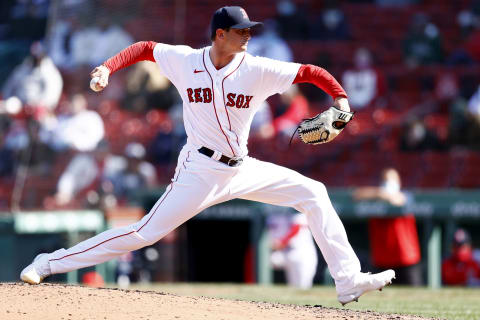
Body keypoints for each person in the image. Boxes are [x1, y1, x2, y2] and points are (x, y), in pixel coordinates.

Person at [20, 6, 395, 305]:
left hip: (241, 167)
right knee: (143, 233)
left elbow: (311, 72)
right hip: (198, 169)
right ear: (220, 34)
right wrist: (107, 67)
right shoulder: (186, 61)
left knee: (313, 192)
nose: (248, 36)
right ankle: (48, 262)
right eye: (241, 30)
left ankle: (347, 280)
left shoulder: (258, 69)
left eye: (250, 30)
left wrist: (341, 99)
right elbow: (146, 48)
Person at [353, 168, 422, 286]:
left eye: (391, 180)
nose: (388, 183)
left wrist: (387, 196)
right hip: (381, 260)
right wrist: (379, 194)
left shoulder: (405, 195)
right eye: (385, 180)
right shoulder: (375, 197)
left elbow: (399, 200)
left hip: (406, 258)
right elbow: (356, 195)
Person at [268, 212, 318, 289]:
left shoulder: (301, 214)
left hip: (304, 252)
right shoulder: (286, 216)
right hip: (289, 252)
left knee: (304, 284)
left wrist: (282, 242)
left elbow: (296, 228)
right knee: (293, 285)